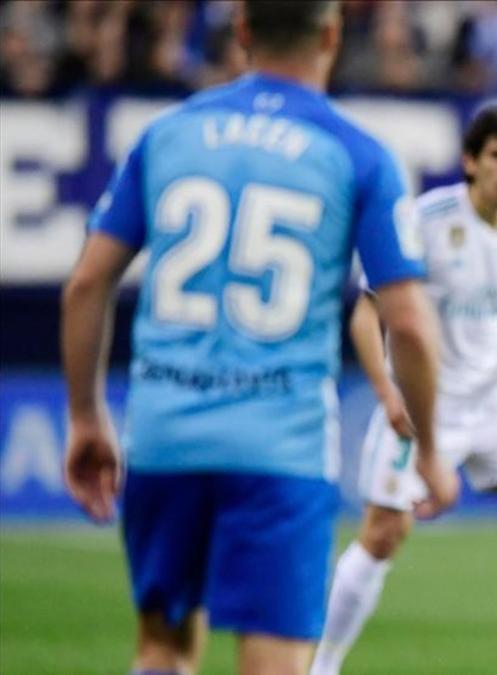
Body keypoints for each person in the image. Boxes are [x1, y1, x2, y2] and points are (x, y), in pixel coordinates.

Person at [59, 3, 458, 673]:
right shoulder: (358, 153)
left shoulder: (168, 134)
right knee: (275, 660)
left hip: (165, 436)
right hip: (282, 447)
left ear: (241, 30)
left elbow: (85, 285)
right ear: (331, 35)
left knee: (161, 649)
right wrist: (433, 446)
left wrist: (83, 416)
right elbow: (412, 324)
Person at [310, 107, 497, 674]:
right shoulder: (426, 220)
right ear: (470, 161)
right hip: (422, 407)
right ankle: (322, 665)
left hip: (491, 400)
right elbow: (367, 317)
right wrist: (390, 395)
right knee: (384, 533)